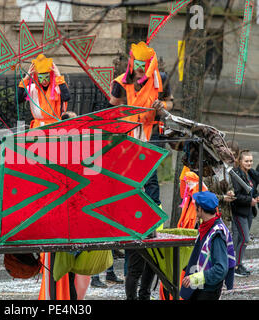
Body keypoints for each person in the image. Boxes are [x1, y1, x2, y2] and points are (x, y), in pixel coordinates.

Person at [110, 41, 173, 300]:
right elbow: (113, 103)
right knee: (127, 181)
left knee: (151, 180)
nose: (138, 69)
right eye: (135, 65)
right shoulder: (120, 81)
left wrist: (160, 108)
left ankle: (152, 217)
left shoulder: (161, 79)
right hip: (127, 137)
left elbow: (169, 103)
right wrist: (126, 106)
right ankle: (127, 213)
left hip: (147, 136)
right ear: (131, 63)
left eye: (142, 66)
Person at [181, 191, 235, 300]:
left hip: (208, 291)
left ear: (200, 209)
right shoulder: (207, 226)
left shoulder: (217, 234)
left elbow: (220, 269)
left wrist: (195, 278)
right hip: (202, 287)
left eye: (195, 206)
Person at [18, 54, 71, 129]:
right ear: (36, 76)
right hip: (37, 128)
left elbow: (67, 97)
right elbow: (18, 100)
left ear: (51, 76)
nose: (44, 81)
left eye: (46, 77)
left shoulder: (58, 87)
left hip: (54, 127)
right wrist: (26, 79)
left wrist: (58, 75)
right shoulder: (32, 89)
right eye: (41, 78)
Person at [230, 150, 259, 277]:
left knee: (241, 239)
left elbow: (253, 191)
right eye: (246, 161)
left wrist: (256, 197)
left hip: (249, 212)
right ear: (240, 161)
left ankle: (238, 264)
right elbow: (237, 195)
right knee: (245, 239)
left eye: (251, 161)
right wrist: (250, 201)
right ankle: (236, 266)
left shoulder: (251, 174)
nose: (249, 163)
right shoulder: (236, 175)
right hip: (239, 212)